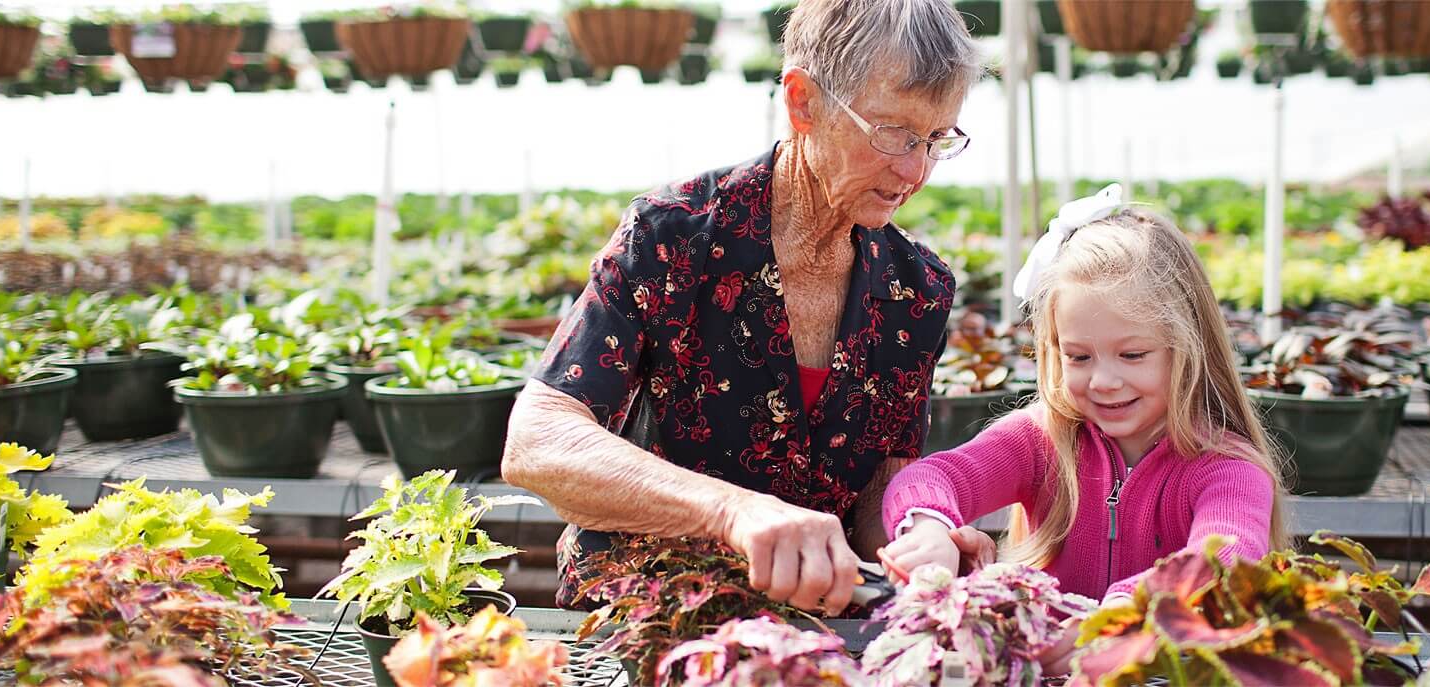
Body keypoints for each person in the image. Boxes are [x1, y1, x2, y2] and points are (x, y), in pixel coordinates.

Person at [501, 0, 981, 617]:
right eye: (892, 132)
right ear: (803, 102)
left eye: (936, 138)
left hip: (813, 614)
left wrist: (920, 544)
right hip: (653, 605)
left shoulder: (916, 290)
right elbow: (537, 441)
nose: (915, 170)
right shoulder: (674, 236)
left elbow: (875, 492)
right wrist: (735, 511)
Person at [879, 185, 1292, 666]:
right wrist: (931, 532)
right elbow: (934, 477)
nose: (1104, 380)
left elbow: (1222, 558)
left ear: (1188, 347)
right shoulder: (1040, 440)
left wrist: (1119, 619)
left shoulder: (1228, 471)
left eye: (1132, 355)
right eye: (1078, 356)